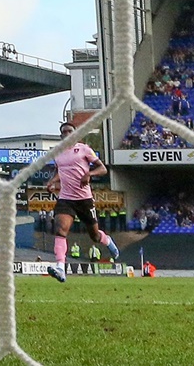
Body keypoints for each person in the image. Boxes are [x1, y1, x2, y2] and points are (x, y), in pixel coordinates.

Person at [45, 121, 119, 283]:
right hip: (66, 198)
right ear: (61, 135)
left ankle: (107, 240)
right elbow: (60, 171)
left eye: (69, 131)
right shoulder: (57, 153)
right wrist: (52, 182)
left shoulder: (84, 149)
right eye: (64, 132)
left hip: (84, 199)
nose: (66, 134)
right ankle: (60, 267)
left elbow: (103, 169)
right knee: (60, 230)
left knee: (94, 236)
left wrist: (89, 174)